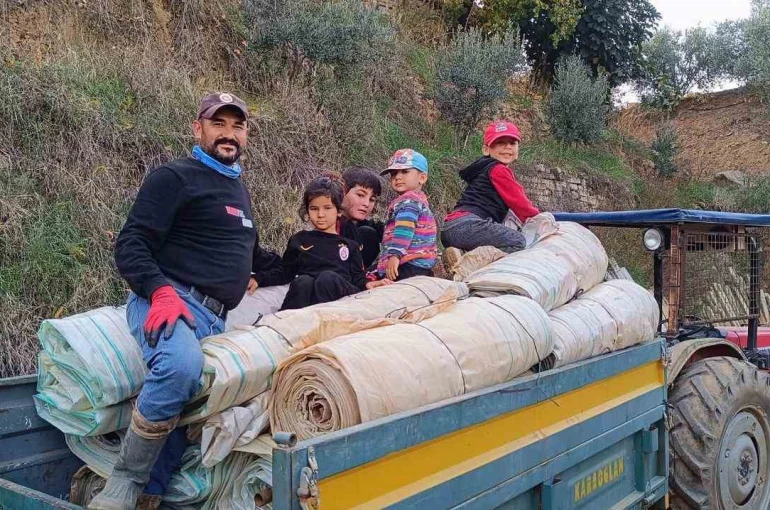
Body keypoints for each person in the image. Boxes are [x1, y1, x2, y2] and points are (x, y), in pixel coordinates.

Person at [90, 92, 276, 510]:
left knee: (196, 391)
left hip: (214, 318)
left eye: (238, 126)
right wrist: (158, 290)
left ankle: (150, 494)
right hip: (170, 300)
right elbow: (132, 243)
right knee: (180, 366)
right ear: (198, 129)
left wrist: (313, 262)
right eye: (219, 124)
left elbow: (253, 256)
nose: (229, 134)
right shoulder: (175, 177)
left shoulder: (237, 191)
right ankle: (124, 480)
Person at [251, 175, 381, 310]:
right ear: (307, 210)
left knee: (326, 278)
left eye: (327, 208)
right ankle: (286, 323)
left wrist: (368, 284)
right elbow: (285, 272)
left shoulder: (349, 245)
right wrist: (259, 279)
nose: (320, 214)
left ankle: (324, 324)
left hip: (341, 301)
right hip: (310, 297)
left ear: (338, 211)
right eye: (314, 209)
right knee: (302, 282)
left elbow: (357, 278)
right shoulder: (299, 240)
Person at [440, 120, 540, 265]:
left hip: (451, 228)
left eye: (513, 143)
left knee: (499, 237)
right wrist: (539, 218)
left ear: (518, 148)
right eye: (500, 143)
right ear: (486, 149)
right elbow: (520, 203)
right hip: (468, 226)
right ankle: (469, 266)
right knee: (517, 241)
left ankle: (460, 254)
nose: (507, 147)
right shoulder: (499, 170)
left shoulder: (483, 169)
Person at [367, 149, 438, 283]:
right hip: (419, 264)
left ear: (422, 178)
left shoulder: (408, 201)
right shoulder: (419, 200)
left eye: (405, 171)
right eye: (394, 173)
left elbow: (404, 229)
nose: (398, 177)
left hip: (407, 264)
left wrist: (395, 256)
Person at [338, 166, 384, 268]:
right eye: (360, 195)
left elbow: (384, 230)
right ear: (343, 191)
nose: (366, 204)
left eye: (372, 199)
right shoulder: (330, 224)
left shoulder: (357, 224)